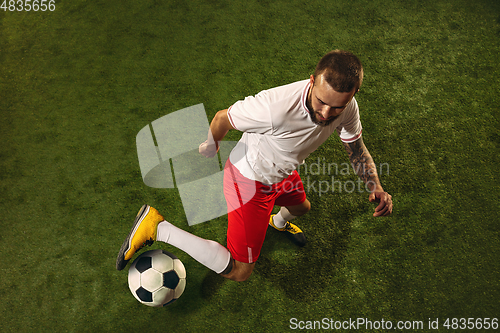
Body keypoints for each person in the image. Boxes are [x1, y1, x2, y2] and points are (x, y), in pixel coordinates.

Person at [116, 50, 393, 281]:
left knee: (301, 207)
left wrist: (376, 186)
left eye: (337, 108)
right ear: (312, 81)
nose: (325, 113)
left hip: (281, 171)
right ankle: (158, 226)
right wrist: (211, 145)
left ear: (353, 94)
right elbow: (222, 118)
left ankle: (276, 222)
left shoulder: (349, 107)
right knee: (241, 271)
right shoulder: (275, 108)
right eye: (321, 102)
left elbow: (355, 150)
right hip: (248, 180)